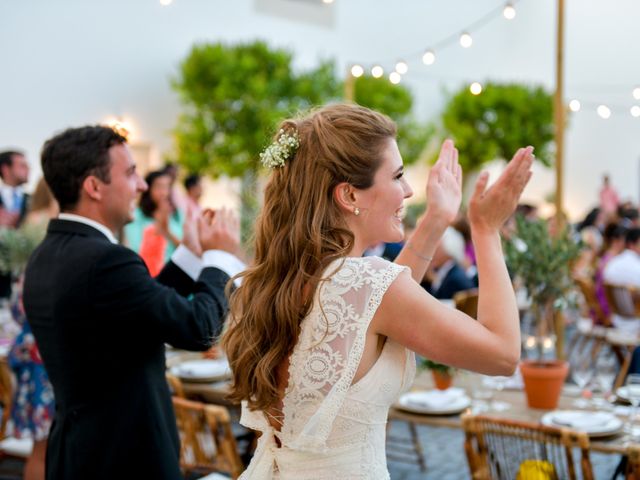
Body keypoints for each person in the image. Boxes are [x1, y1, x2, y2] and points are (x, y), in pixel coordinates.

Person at [221, 104, 533, 479]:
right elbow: (502, 354)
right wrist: (486, 229)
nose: (408, 190)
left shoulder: (280, 280)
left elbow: (372, 307)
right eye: (398, 176)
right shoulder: (364, 283)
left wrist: (436, 219)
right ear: (350, 195)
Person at [23, 125, 243, 480]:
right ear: (93, 187)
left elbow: (136, 304)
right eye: (130, 173)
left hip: (77, 451)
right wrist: (220, 259)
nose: (141, 186)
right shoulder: (104, 260)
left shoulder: (48, 254)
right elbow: (199, 329)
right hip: (124, 458)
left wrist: (190, 255)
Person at [7, 178, 58, 480]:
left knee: (44, 443)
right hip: (43, 355)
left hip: (32, 349)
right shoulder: (46, 225)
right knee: (44, 445)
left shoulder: (30, 222)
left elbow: (17, 302)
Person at [124, 170, 184, 275]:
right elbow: (136, 248)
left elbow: (186, 250)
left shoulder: (176, 215)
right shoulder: (136, 215)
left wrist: (167, 232)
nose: (164, 193)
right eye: (159, 187)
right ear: (148, 189)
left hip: (174, 276)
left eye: (167, 187)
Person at [0, 150, 31, 299]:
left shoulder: (34, 202)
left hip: (26, 284)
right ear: (6, 169)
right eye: (22, 165)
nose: (28, 168)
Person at [421, 226, 476, 299]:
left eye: (436, 249)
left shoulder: (454, 279)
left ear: (448, 249)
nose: (431, 253)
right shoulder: (447, 273)